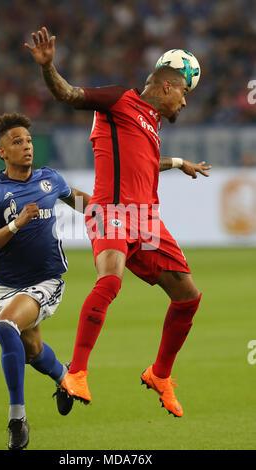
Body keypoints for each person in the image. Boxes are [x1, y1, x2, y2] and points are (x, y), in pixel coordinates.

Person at [25, 27, 212, 418]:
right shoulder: (119, 101)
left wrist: (179, 163)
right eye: (184, 93)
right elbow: (69, 94)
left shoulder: (150, 124)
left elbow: (143, 163)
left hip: (147, 222)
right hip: (111, 213)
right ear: (164, 87)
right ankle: (75, 372)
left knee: (188, 297)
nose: (184, 102)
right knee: (110, 279)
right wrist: (48, 68)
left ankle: (160, 374)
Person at [0, 112, 91, 450]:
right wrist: (16, 224)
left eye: (28, 140)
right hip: (5, 286)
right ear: (1, 152)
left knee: (6, 326)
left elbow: (85, 203)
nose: (26, 146)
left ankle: (17, 418)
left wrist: (118, 210)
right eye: (16, 142)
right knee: (33, 349)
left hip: (45, 281)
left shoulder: (50, 179)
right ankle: (65, 377)